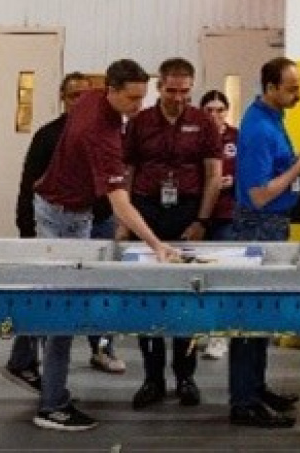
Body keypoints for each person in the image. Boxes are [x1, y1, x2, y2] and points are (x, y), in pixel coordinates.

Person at [18, 58, 179, 432]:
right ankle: (52, 406)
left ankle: (21, 361)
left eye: (143, 97)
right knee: (63, 311)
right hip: (61, 217)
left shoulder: (92, 97)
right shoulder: (99, 133)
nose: (139, 107)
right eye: (133, 99)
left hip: (69, 207)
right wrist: (156, 245)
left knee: (56, 302)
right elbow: (121, 204)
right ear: (112, 91)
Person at [7, 72, 126, 384]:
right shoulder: (49, 135)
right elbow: (28, 185)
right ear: (62, 98)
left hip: (98, 219)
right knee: (55, 294)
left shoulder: (106, 129)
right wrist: (27, 231)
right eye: (73, 95)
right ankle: (31, 358)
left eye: (84, 95)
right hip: (58, 222)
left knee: (99, 290)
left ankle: (103, 346)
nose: (79, 101)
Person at [124, 58, 223, 410]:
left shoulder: (204, 123)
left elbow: (213, 175)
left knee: (186, 298)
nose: (178, 98)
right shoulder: (139, 123)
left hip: (187, 214)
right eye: (171, 90)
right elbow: (128, 171)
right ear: (158, 87)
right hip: (148, 212)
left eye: (185, 91)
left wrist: (201, 220)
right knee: (148, 297)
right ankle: (152, 378)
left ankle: (185, 376)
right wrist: (127, 222)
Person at [227, 57, 300, 429]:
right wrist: (299, 167)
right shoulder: (259, 128)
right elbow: (258, 194)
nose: (297, 94)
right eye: (291, 88)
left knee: (262, 315)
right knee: (250, 314)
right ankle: (243, 400)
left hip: (273, 224)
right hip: (259, 226)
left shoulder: (274, 119)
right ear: (271, 88)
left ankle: (255, 386)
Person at [199, 89, 238, 361]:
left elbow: (248, 169)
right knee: (199, 273)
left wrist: (232, 181)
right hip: (200, 213)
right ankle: (200, 326)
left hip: (226, 213)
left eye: (219, 110)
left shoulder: (236, 138)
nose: (214, 115)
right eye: (209, 110)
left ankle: (219, 334)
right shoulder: (195, 135)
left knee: (223, 273)